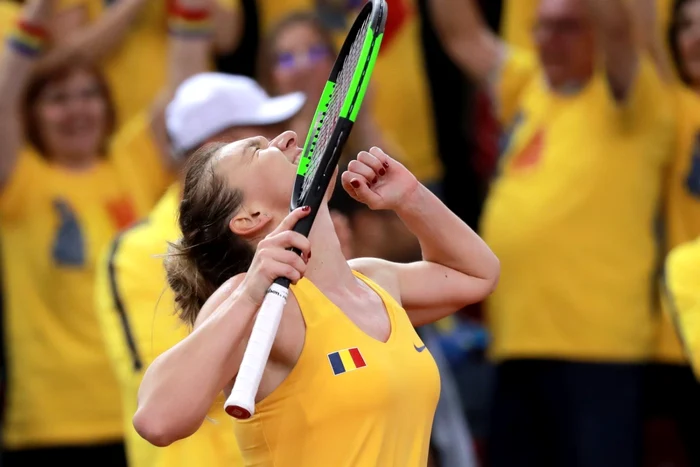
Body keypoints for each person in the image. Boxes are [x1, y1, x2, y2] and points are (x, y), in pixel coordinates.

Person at [131, 132, 500, 465]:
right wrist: (248, 294)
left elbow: (477, 275)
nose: (289, 138)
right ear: (249, 217)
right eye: (258, 150)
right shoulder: (257, 302)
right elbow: (156, 420)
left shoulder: (374, 281)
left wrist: (412, 198)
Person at [429, 0, 673, 466]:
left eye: (566, 28)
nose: (547, 40)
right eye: (541, 28)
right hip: (517, 344)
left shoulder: (633, 97)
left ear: (597, 32)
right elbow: (463, 35)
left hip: (598, 349)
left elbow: (622, 30)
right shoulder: (531, 89)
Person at [0, 0, 215, 462]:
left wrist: (190, 14)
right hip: (52, 425)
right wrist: (29, 29)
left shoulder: (132, 162)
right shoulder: (18, 181)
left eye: (88, 94)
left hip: (143, 414)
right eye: (58, 99)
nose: (77, 110)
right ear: (32, 114)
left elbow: (185, 96)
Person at [95, 72, 308, 467]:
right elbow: (178, 386)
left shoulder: (294, 230)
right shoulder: (135, 251)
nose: (286, 138)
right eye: (260, 136)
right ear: (215, 151)